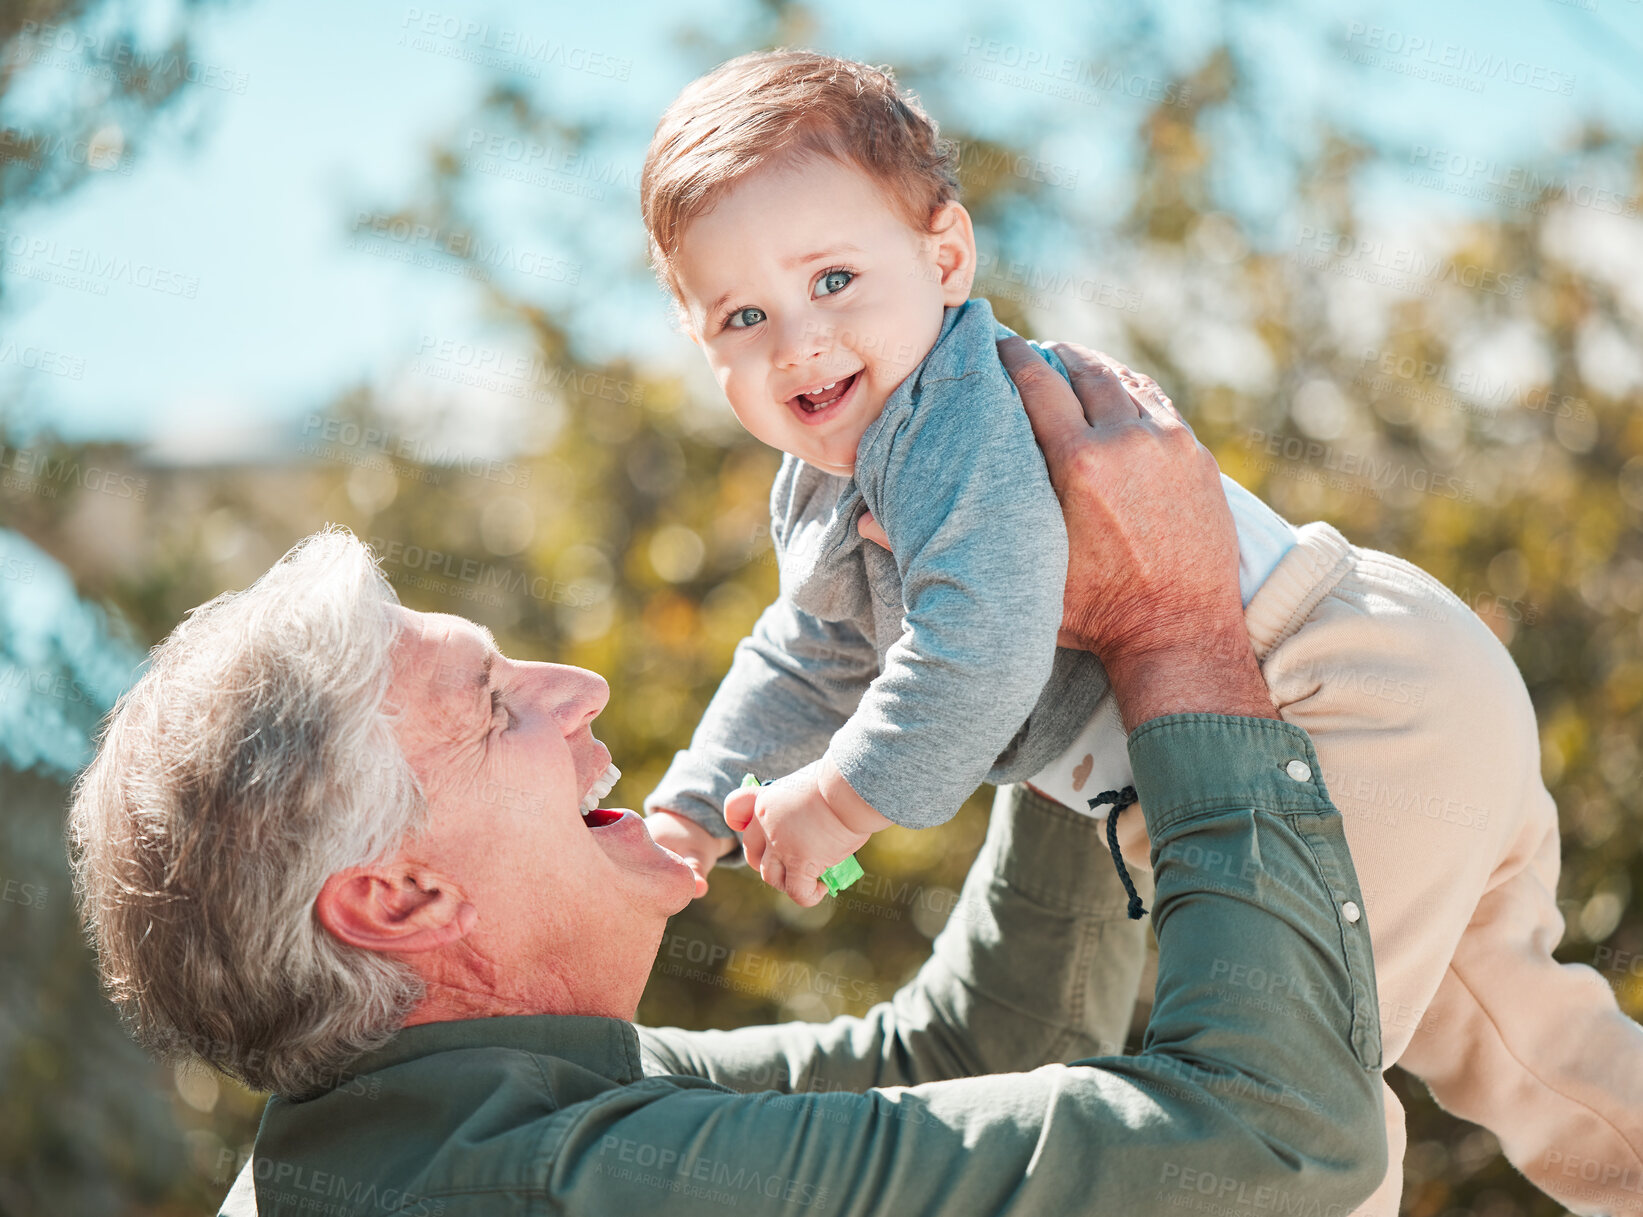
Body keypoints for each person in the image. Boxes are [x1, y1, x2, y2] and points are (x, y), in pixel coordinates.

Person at [636, 50, 1643, 1214]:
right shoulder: (829, 477)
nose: (796, 340)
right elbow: (804, 652)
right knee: (1519, 1031)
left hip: (1334, 705)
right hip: (1395, 681)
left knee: (1286, 1089)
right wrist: (697, 802)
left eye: (833, 279)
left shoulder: (952, 419)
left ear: (944, 256)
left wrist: (840, 799)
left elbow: (983, 645)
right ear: (699, 343)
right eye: (742, 315)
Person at [68, 348, 1386, 1216]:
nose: (574, 687)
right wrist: (1167, 627)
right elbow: (1282, 1143)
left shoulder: (464, 1114)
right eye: (493, 705)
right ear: (401, 897)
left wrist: (1047, 666)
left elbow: (956, 1061)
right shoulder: (562, 1183)